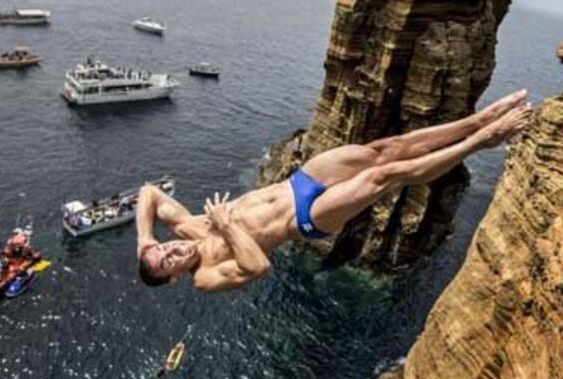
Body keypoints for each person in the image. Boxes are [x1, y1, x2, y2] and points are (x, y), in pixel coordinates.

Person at [136, 89, 532, 292]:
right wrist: (226, 225)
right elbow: (258, 268)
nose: (171, 251)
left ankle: (475, 121)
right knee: (386, 176)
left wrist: (144, 240)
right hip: (307, 217)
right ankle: (483, 140)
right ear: (174, 278)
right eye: (167, 262)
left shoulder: (186, 227)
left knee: (384, 149)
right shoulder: (205, 275)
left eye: (163, 248)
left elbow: (150, 193)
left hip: (298, 181)